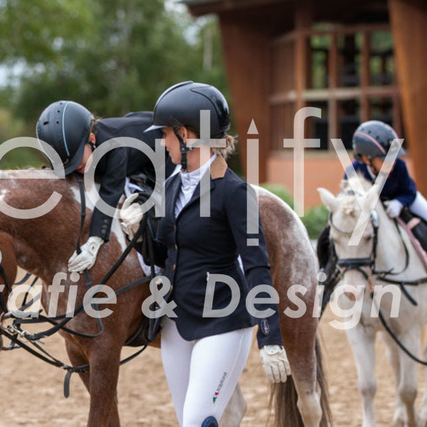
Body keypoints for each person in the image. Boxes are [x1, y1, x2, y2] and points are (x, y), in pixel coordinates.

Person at [119, 81, 290, 427]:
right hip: (176, 323)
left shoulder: (235, 193)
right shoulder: (171, 186)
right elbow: (165, 255)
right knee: (187, 420)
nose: (162, 143)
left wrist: (270, 337)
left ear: (186, 135)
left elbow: (257, 266)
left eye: (165, 134)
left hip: (223, 320)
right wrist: (137, 232)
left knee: (199, 420)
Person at [35, 101, 175, 273]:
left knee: (163, 210)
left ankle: (168, 268)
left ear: (92, 139)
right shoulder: (85, 149)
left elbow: (110, 193)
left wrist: (95, 240)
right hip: (137, 146)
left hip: (165, 157)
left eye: (78, 162)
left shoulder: (115, 147)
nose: (75, 168)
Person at [317, 120, 427, 305]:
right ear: (367, 159)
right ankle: (325, 272)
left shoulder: (399, 167)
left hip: (402, 199)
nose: (392, 162)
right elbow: (349, 201)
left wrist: (398, 203)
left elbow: (409, 192)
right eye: (385, 158)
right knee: (328, 233)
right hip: (369, 208)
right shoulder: (353, 171)